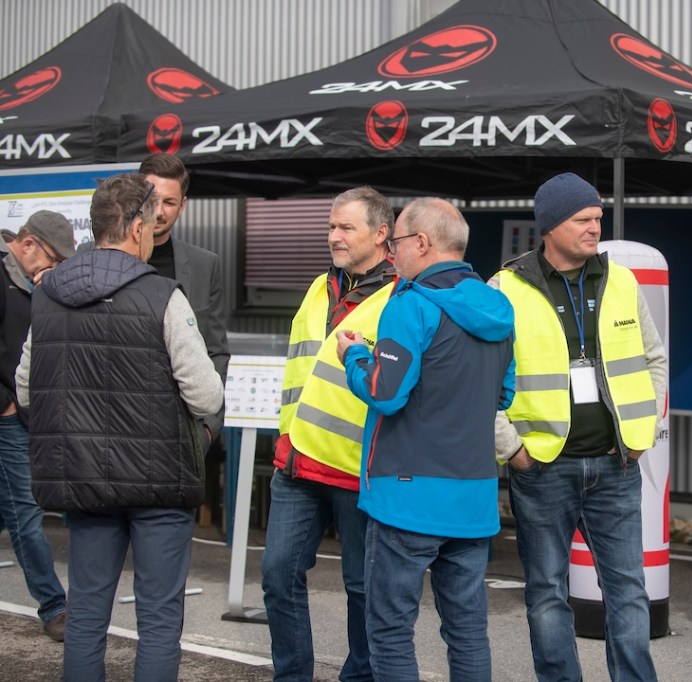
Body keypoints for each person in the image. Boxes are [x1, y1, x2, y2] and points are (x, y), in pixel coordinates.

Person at [16, 174, 224, 681]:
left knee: (86, 613)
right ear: (135, 229)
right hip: (161, 481)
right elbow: (206, 395)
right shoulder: (163, 296)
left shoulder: (48, 294)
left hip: (84, 478)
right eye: (150, 225)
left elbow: (25, 388)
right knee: (159, 619)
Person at [491, 172, 667, 682]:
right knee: (547, 591)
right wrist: (511, 448)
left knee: (628, 590)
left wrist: (640, 429)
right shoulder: (505, 288)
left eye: (598, 218)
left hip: (616, 464)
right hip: (542, 467)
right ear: (550, 226)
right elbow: (480, 378)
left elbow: (653, 358)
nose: (595, 228)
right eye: (583, 220)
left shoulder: (621, 281)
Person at [336, 197, 515, 681]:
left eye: (395, 242)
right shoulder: (499, 310)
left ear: (421, 242)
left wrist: (355, 358)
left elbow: (385, 393)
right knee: (467, 631)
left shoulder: (409, 304)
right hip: (473, 496)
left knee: (390, 629)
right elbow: (504, 394)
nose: (391, 253)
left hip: (407, 495)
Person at [262, 186, 396, 682]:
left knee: (363, 589)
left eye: (346, 228)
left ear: (381, 234)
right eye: (331, 227)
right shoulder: (320, 287)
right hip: (297, 460)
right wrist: (286, 439)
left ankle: (359, 676)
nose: (334, 236)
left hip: (360, 468)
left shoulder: (401, 295)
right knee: (278, 576)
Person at [0, 211, 72, 642]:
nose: (53, 269)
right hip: (9, 415)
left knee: (12, 507)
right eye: (52, 259)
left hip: (28, 413)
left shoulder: (32, 282)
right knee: (25, 511)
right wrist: (6, 406)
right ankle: (54, 606)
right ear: (27, 244)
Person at [137, 153, 229, 481]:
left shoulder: (204, 265)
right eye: (152, 199)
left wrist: (207, 429)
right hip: (111, 430)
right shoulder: (95, 257)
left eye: (169, 202)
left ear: (183, 206)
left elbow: (216, 350)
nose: (159, 211)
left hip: (179, 436)